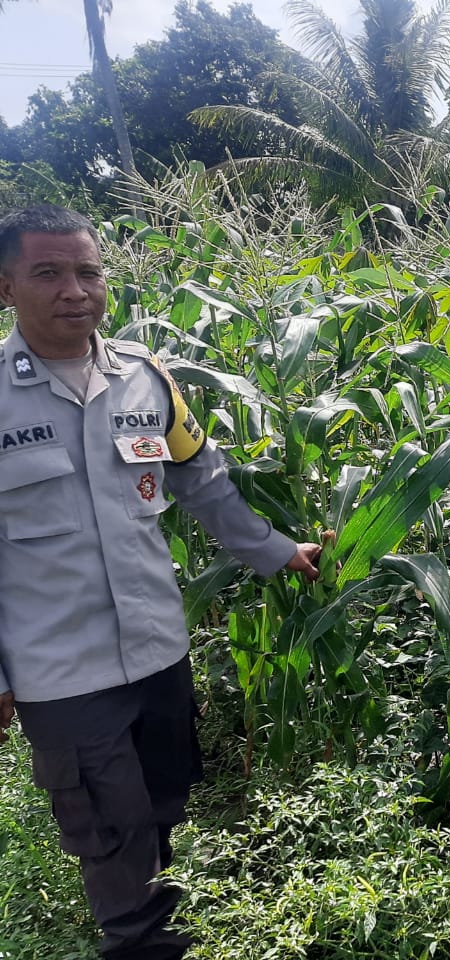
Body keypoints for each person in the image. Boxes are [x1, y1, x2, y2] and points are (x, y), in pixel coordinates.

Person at [0, 204, 322, 959]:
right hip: (62, 673)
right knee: (113, 833)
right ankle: (141, 944)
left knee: (165, 805)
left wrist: (276, 551)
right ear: (6, 286)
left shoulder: (146, 379)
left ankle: (166, 926)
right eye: (48, 273)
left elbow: (202, 481)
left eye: (89, 271)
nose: (75, 290)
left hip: (157, 654)